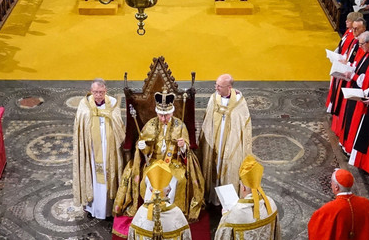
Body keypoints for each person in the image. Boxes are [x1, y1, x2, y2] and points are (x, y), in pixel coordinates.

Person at [114, 92, 206, 221]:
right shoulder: (150, 125)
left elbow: (187, 151)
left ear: (172, 112)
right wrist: (142, 147)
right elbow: (145, 150)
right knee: (149, 181)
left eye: (167, 115)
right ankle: (149, 214)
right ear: (157, 113)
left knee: (178, 181)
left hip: (174, 163)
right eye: (161, 115)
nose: (163, 118)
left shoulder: (180, 126)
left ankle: (171, 214)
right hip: (154, 162)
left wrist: (183, 146)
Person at [73, 79, 126, 220]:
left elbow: (118, 124)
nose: (98, 95)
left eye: (101, 92)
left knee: (109, 176)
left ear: (105, 91)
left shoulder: (113, 103)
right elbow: (81, 125)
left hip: (109, 149)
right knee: (94, 176)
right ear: (91, 91)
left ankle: (108, 209)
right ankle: (92, 208)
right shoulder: (84, 105)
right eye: (95, 92)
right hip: (91, 149)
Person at [199, 74, 252, 201]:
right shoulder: (214, 98)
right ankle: (212, 198)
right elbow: (207, 121)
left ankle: (227, 200)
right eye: (215, 84)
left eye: (219, 86)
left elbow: (243, 125)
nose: (216, 88)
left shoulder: (239, 102)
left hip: (231, 142)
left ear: (229, 87)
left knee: (229, 167)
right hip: (215, 141)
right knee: (213, 167)